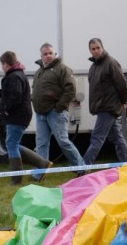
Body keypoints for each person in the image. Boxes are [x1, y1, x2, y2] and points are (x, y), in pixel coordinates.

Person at [31, 43, 86, 179]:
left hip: (56, 112)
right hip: (41, 113)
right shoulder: (39, 72)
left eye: (50, 53)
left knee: (63, 141)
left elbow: (70, 89)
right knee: (41, 144)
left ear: (55, 54)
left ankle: (81, 167)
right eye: (45, 54)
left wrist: (59, 107)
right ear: (41, 56)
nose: (48, 56)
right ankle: (40, 174)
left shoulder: (63, 69)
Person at [0, 51, 53, 185]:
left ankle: (16, 179)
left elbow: (15, 96)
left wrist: (6, 109)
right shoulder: (18, 74)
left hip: (17, 115)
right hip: (21, 114)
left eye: (2, 64)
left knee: (11, 144)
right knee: (13, 143)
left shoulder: (14, 76)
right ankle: (43, 163)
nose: (2, 67)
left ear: (6, 64)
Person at [82, 38, 127, 165]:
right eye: (93, 49)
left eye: (98, 48)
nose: (96, 51)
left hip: (108, 107)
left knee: (97, 138)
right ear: (90, 51)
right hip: (101, 107)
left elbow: (122, 85)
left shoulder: (111, 63)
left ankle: (82, 167)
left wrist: (123, 101)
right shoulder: (93, 67)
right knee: (117, 138)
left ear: (103, 48)